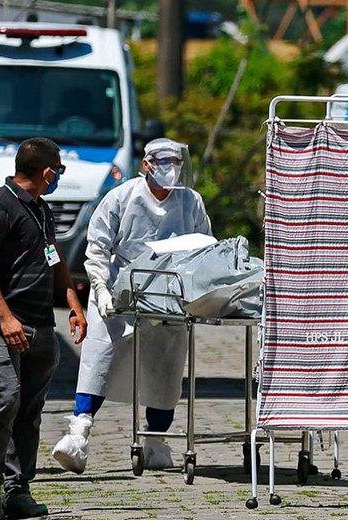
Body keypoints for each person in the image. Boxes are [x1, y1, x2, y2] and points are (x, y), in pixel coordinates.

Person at [52, 138, 211, 474]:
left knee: (166, 365)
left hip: (170, 294)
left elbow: (205, 248)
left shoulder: (191, 202)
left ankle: (156, 438)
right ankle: (78, 432)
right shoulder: (120, 197)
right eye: (163, 162)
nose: (170, 169)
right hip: (121, 289)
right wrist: (101, 288)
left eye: (175, 162)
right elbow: (96, 248)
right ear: (145, 165)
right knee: (101, 353)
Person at [0, 137, 88, 518]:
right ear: (48, 171)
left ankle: (18, 489)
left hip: (41, 325)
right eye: (59, 169)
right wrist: (5, 317)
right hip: (6, 323)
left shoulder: (41, 209)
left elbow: (54, 258)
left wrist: (73, 304)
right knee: (7, 398)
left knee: (31, 410)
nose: (59, 177)